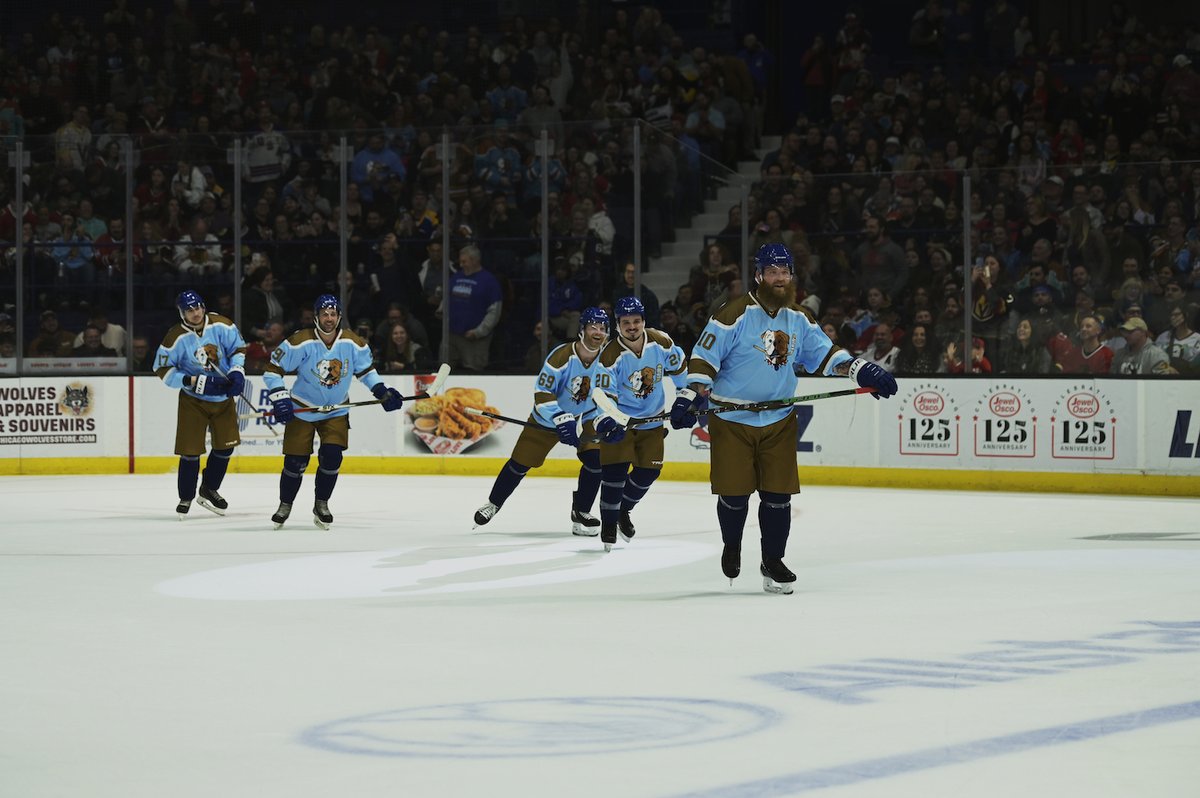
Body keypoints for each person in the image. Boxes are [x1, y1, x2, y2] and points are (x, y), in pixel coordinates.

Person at [674, 243, 897, 594]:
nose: (780, 278)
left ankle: (772, 561)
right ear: (759, 275)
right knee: (734, 496)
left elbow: (825, 355)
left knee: (779, 497)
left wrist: (861, 369)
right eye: (772, 271)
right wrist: (690, 395)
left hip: (778, 419)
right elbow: (704, 358)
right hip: (733, 418)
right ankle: (732, 544)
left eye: (785, 271)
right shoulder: (733, 314)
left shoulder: (798, 318)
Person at [473, 307, 626, 536]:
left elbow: (608, 394)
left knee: (596, 460)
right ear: (581, 329)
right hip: (549, 417)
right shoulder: (561, 356)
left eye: (603, 328)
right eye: (593, 327)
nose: (598, 332)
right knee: (519, 464)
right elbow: (542, 393)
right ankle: (493, 503)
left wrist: (610, 419)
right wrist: (560, 418)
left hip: (588, 415)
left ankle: (581, 512)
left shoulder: (608, 361)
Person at [262, 294, 404, 529]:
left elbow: (366, 372)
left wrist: (381, 391)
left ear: (339, 316)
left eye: (333, 314)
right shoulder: (300, 341)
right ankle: (285, 504)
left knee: (332, 457)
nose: (329, 318)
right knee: (295, 462)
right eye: (324, 314)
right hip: (302, 408)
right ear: (316, 316)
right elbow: (272, 371)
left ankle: (321, 504)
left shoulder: (353, 342)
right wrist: (280, 398)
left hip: (336, 410)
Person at [594, 296, 688, 551]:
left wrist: (687, 401)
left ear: (644, 321)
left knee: (649, 472)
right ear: (618, 325)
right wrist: (607, 421)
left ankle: (623, 509)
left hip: (652, 421)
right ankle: (608, 524)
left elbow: (682, 375)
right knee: (614, 474)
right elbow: (602, 395)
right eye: (626, 322)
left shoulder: (661, 341)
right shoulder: (610, 355)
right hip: (622, 422)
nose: (632, 326)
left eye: (636, 321)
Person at [154, 291, 248, 518]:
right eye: (189, 310)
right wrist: (190, 380)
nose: (195, 313)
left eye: (198, 308)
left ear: (203, 307)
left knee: (225, 447)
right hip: (193, 401)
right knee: (190, 452)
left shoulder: (223, 326)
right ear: (182, 312)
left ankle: (209, 488)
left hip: (223, 396)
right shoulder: (175, 337)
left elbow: (238, 349)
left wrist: (236, 372)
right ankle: (185, 497)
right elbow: (162, 368)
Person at [447, 245, 502, 371]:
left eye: (464, 261)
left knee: (473, 372)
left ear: (474, 260)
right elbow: (447, 298)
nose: (461, 265)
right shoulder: (456, 277)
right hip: (452, 336)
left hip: (474, 339)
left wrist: (479, 332)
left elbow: (494, 311)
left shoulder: (489, 281)